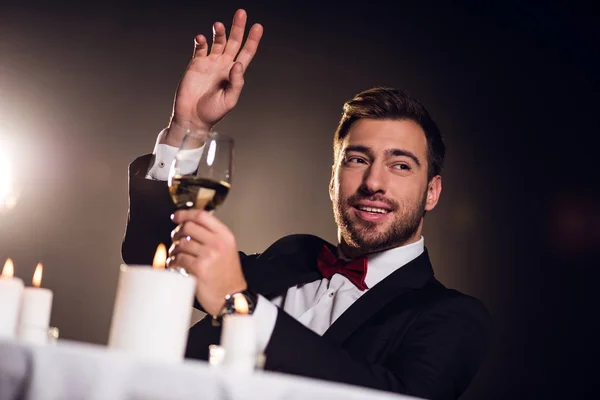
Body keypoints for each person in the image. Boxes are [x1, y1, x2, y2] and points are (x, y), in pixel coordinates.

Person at [121, 9, 491, 400]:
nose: (373, 183)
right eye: (357, 159)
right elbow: (152, 254)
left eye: (400, 165)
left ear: (432, 192)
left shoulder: (454, 317)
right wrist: (190, 127)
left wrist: (241, 305)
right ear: (333, 178)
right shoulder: (292, 254)